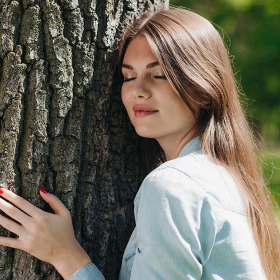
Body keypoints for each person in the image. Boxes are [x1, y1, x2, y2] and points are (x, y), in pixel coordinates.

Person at [0, 6, 279, 280]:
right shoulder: (231, 181)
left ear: (204, 87)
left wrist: (66, 255)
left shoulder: (173, 186)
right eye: (129, 76)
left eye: (158, 75)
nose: (137, 91)